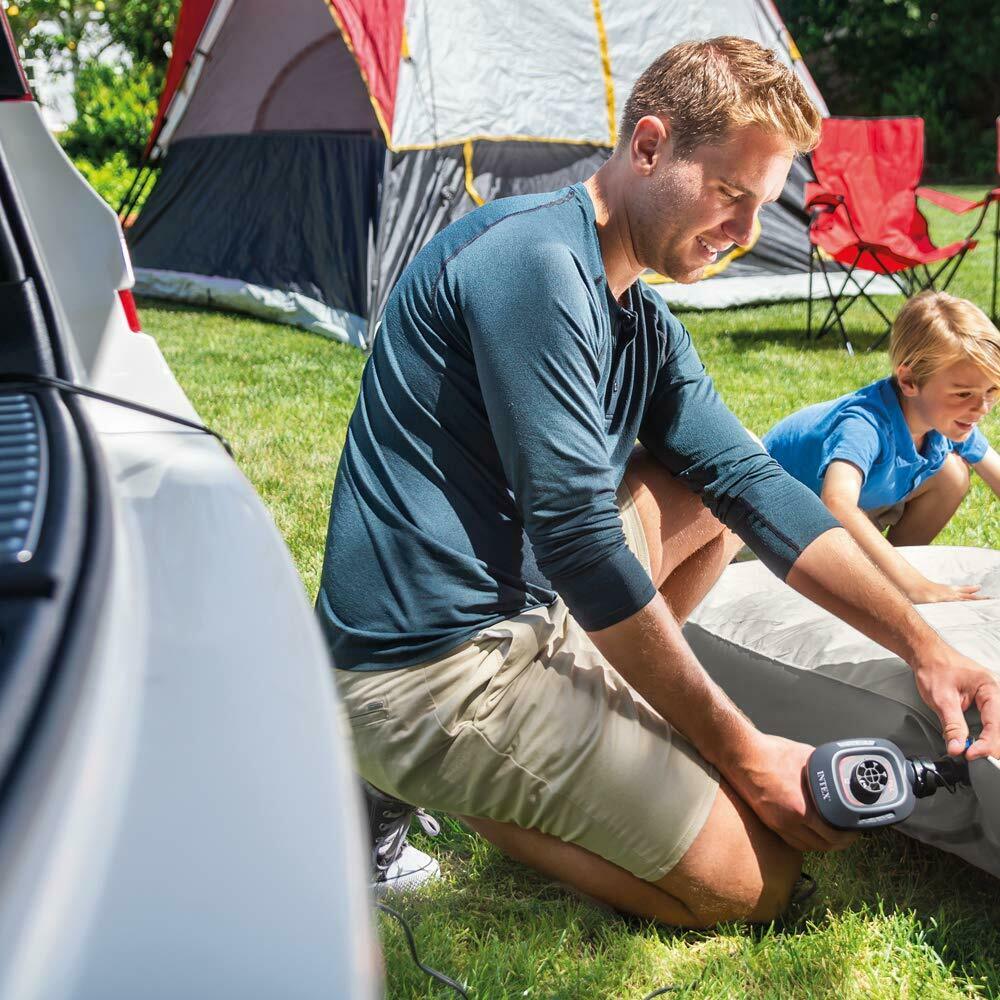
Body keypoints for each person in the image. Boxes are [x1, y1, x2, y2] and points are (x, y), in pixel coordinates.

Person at [317, 37, 1000, 927]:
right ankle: (417, 780)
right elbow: (581, 541)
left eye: (761, 207)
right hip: (432, 670)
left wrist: (927, 647)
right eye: (728, 194)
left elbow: (751, 482)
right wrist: (744, 751)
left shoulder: (636, 316)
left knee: (704, 499)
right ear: (648, 147)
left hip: (528, 604)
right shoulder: (535, 267)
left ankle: (580, 732)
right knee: (755, 883)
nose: (746, 234)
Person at [765, 291, 1000, 605]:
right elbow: (836, 502)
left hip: (842, 517)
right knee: (948, 473)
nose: (981, 407)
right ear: (909, 380)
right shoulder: (864, 424)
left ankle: (891, 568)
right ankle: (898, 580)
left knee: (952, 473)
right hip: (769, 524)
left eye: (993, 389)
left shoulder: (947, 418)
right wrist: (912, 585)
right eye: (963, 394)